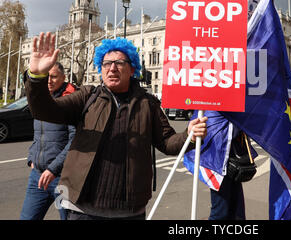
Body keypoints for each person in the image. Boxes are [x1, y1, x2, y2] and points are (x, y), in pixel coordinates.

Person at [24, 32, 208, 220]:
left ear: (132, 69)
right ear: (100, 69)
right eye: (106, 63)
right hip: (82, 209)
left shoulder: (148, 104)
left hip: (129, 211)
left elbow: (167, 142)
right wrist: (37, 77)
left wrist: (189, 135)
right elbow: (44, 110)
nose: (112, 68)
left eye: (119, 63)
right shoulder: (87, 96)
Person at [20, 62, 76, 220]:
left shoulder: (71, 102)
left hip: (63, 179)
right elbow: (37, 136)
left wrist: (53, 169)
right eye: (46, 77)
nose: (49, 80)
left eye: (54, 76)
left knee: (68, 218)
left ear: (64, 78)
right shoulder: (40, 102)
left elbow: (74, 141)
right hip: (37, 177)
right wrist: (31, 157)